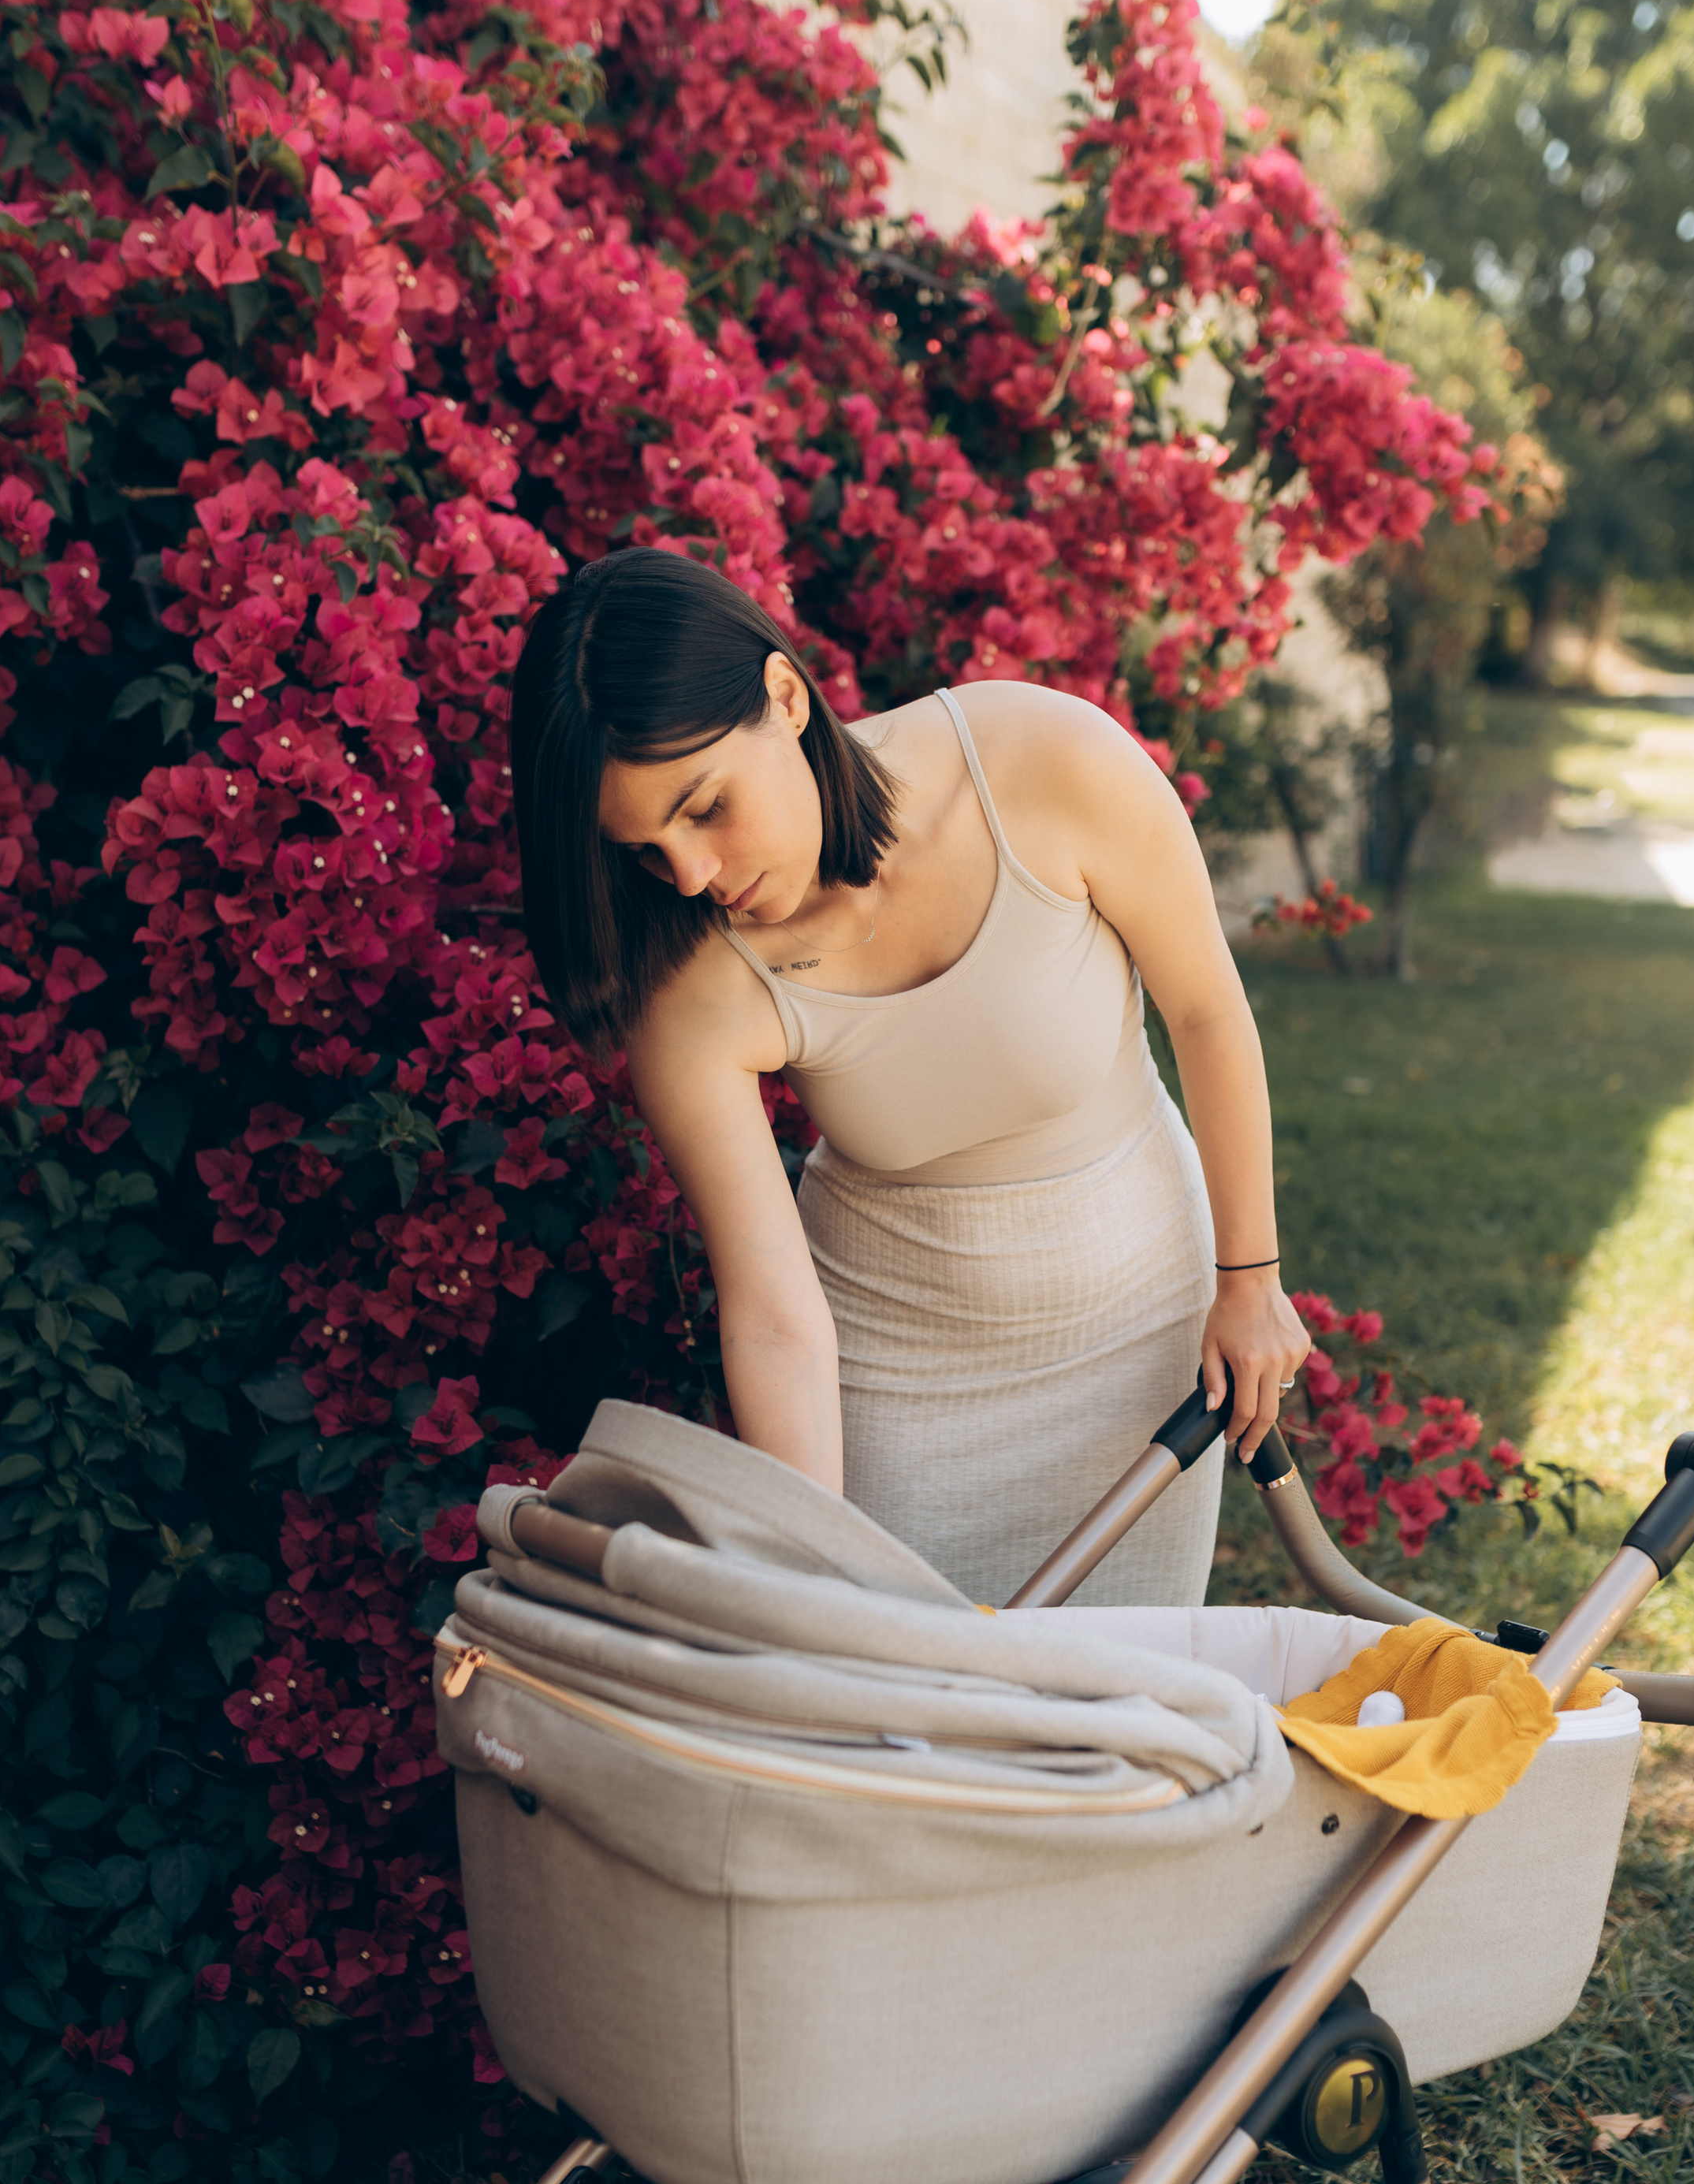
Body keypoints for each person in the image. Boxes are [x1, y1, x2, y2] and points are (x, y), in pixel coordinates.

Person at [509, 548, 1309, 1605]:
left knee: (1115, 1723)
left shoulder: (1042, 762)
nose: (692, 875)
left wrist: (1248, 1282)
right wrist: (812, 1570)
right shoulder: (693, 991)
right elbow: (773, 1313)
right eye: (647, 851)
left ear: (784, 696)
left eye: (703, 807)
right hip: (898, 1386)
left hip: (1139, 1341)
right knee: (900, 1730)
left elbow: (1206, 1011)